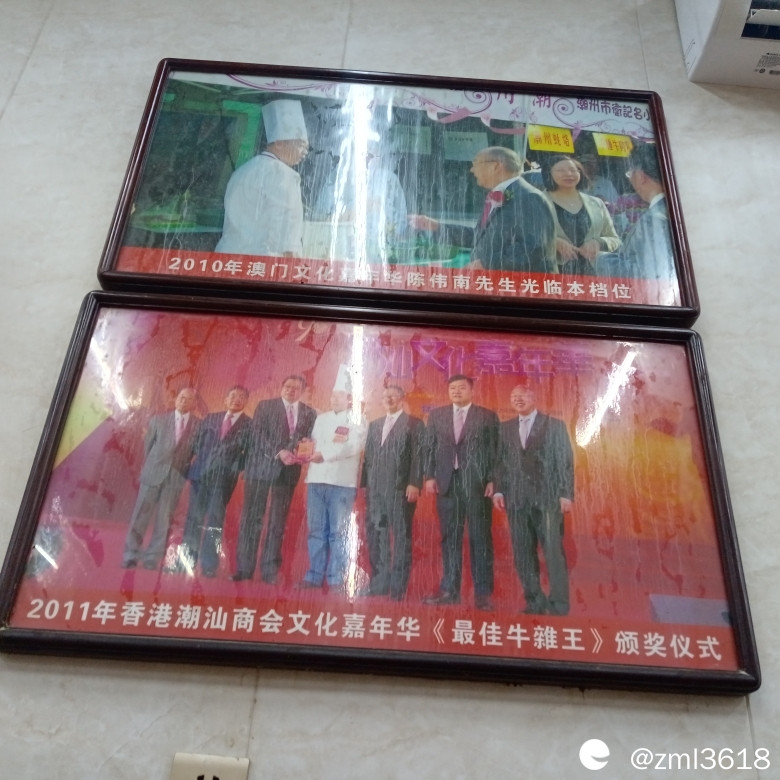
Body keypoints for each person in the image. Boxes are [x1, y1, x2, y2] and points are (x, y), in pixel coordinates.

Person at [492, 381, 574, 615]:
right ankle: (534, 601)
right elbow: (500, 461)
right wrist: (499, 490)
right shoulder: (505, 428)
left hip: (548, 499)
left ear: (534, 397)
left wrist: (565, 493)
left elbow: (564, 461)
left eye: (523, 395)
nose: (518, 399)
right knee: (523, 553)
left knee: (553, 552)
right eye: (514, 396)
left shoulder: (554, 425)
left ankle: (559, 605)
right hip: (516, 500)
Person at [410, 146, 557, 273]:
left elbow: (535, 247)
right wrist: (437, 226)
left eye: (476, 163)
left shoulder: (529, 197)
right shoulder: (501, 195)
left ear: (496, 166)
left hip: (522, 288)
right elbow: (479, 237)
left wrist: (486, 264)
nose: (472, 169)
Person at [423, 375, 499, 610]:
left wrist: (494, 480)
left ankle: (483, 595)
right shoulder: (437, 415)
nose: (456, 391)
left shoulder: (487, 416)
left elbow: (496, 451)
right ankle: (450, 590)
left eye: (461, 388)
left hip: (477, 485)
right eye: (452, 388)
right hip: (447, 483)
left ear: (471, 390)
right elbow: (428, 447)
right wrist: (429, 476)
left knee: (480, 538)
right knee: (450, 538)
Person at [232, 375, 317, 584]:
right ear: (281, 387)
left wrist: (304, 448)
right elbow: (258, 434)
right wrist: (279, 452)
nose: (290, 390)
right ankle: (244, 569)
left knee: (278, 521)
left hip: (288, 471)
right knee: (251, 518)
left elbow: (309, 438)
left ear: (302, 391)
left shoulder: (310, 412)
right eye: (287, 386)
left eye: (295, 388)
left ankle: (270, 570)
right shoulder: (265, 406)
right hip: (260, 469)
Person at [215, 99, 309, 257]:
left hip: (228, 259)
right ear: (278, 143)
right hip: (263, 262)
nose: (304, 152)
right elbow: (285, 234)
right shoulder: (283, 175)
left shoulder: (242, 170)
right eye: (300, 145)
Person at [174, 386, 251, 577]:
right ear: (225, 399)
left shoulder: (249, 425)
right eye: (233, 396)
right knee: (193, 518)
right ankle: (185, 561)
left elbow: (249, 453)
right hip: (200, 475)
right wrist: (195, 464)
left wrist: (233, 468)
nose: (236, 399)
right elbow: (196, 442)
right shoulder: (211, 418)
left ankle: (209, 565)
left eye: (241, 397)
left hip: (223, 480)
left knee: (215, 521)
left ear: (246, 402)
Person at [300, 376, 367, 592]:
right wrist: (305, 448)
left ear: (350, 399)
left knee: (338, 533)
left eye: (339, 396)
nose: (334, 399)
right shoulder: (321, 419)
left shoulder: (358, 419)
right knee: (316, 531)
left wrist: (324, 455)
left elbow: (353, 446)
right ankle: (314, 576)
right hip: (315, 480)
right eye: (333, 395)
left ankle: (337, 578)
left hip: (341, 482)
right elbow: (314, 443)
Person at [121, 387, 199, 569]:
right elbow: (148, 446)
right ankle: (131, 554)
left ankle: (152, 558)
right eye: (181, 397)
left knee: (164, 520)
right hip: (153, 474)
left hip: (176, 477)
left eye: (189, 399)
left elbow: (196, 451)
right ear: (176, 398)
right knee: (141, 516)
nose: (184, 401)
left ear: (194, 403)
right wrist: (152, 467)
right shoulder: (158, 420)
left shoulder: (198, 425)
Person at [359, 385, 423, 600]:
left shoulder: (414, 423)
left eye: (393, 396)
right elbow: (369, 457)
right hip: (375, 490)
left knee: (401, 537)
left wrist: (414, 483)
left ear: (402, 399)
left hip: (400, 489)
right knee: (377, 536)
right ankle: (379, 584)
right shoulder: (375, 424)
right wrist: (366, 485)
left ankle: (398, 588)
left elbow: (418, 456)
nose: (388, 399)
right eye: (385, 396)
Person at [598, 142, 676, 280]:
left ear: (641, 176)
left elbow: (648, 273)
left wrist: (600, 259)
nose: (630, 180)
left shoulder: (654, 219)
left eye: (630, 174)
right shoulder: (677, 210)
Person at [542, 154, 622, 275]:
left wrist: (598, 243)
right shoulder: (537, 201)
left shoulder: (596, 203)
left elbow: (615, 239)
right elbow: (524, 237)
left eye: (573, 170)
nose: (568, 174)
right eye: (560, 170)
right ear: (549, 174)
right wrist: (554, 243)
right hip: (551, 273)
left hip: (592, 274)